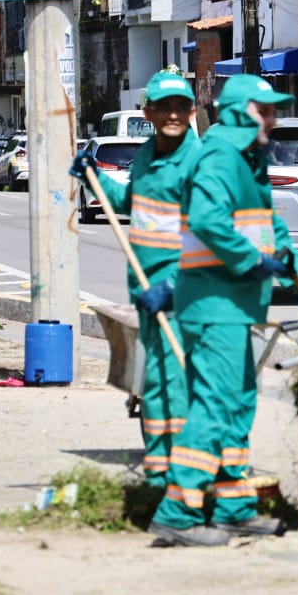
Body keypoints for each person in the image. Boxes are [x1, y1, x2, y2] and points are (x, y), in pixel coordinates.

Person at [150, 73, 298, 548]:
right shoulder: (222, 155)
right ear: (243, 112)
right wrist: (251, 261)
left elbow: (271, 229)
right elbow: (207, 221)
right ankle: (178, 512)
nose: (274, 119)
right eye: (266, 111)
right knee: (216, 406)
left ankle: (234, 508)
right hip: (213, 301)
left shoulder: (249, 160)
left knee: (239, 405)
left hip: (234, 303)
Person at [69, 69, 201, 487]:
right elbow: (131, 203)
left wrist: (175, 287)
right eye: (164, 107)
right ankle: (158, 464)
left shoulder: (198, 162)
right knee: (152, 377)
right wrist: (96, 177)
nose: (173, 114)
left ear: (193, 110)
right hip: (144, 285)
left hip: (179, 291)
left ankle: (179, 468)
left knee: (174, 379)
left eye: (181, 106)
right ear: (148, 112)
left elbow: (209, 235)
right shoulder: (146, 155)